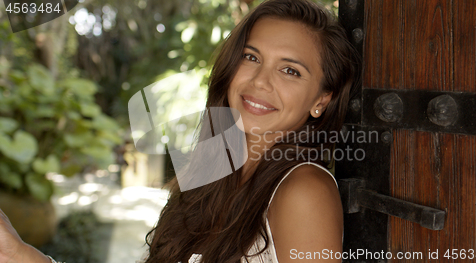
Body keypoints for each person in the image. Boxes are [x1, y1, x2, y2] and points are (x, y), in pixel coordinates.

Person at [0, 0, 358, 262]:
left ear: (321, 100)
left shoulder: (304, 191)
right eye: (251, 57)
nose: (260, 81)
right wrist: (18, 254)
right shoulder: (211, 176)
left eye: (290, 71)